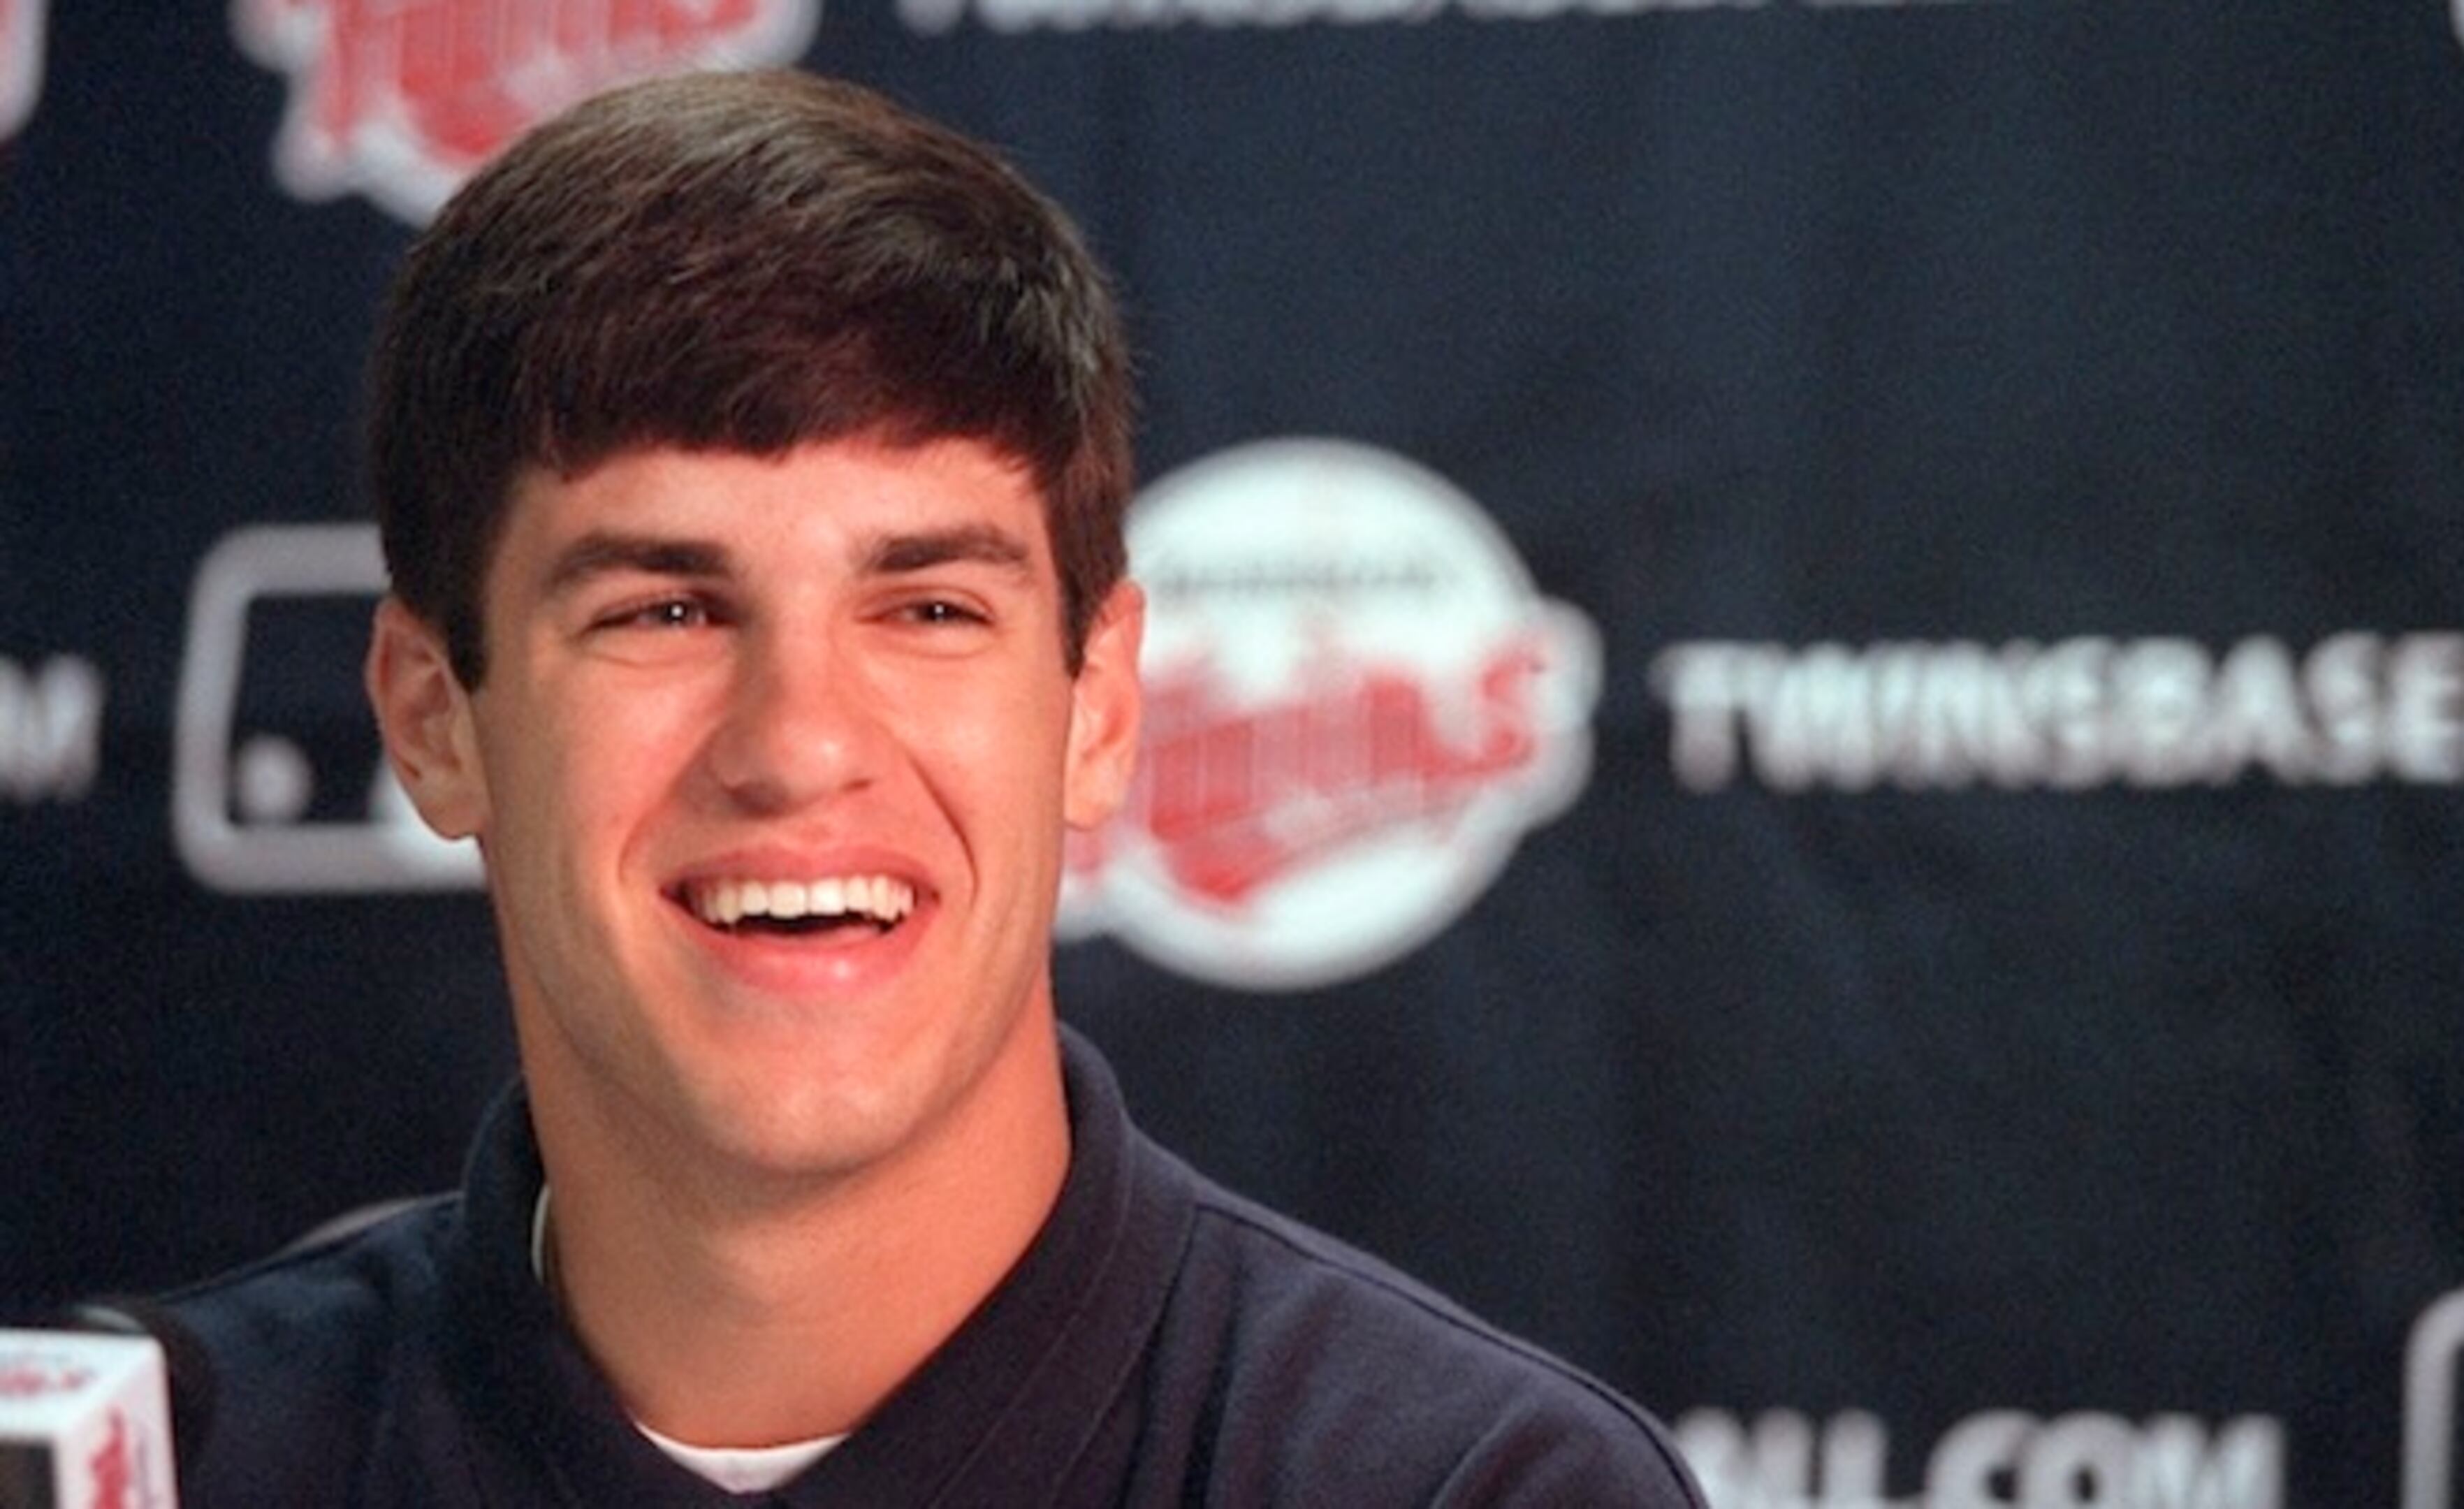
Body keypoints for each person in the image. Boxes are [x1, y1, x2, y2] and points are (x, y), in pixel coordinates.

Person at [160, 67, 1705, 1505]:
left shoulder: (1470, 1490)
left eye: (929, 609)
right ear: (435, 721)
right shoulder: (152, 1468)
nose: (800, 744)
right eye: (665, 612)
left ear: (1096, 708)